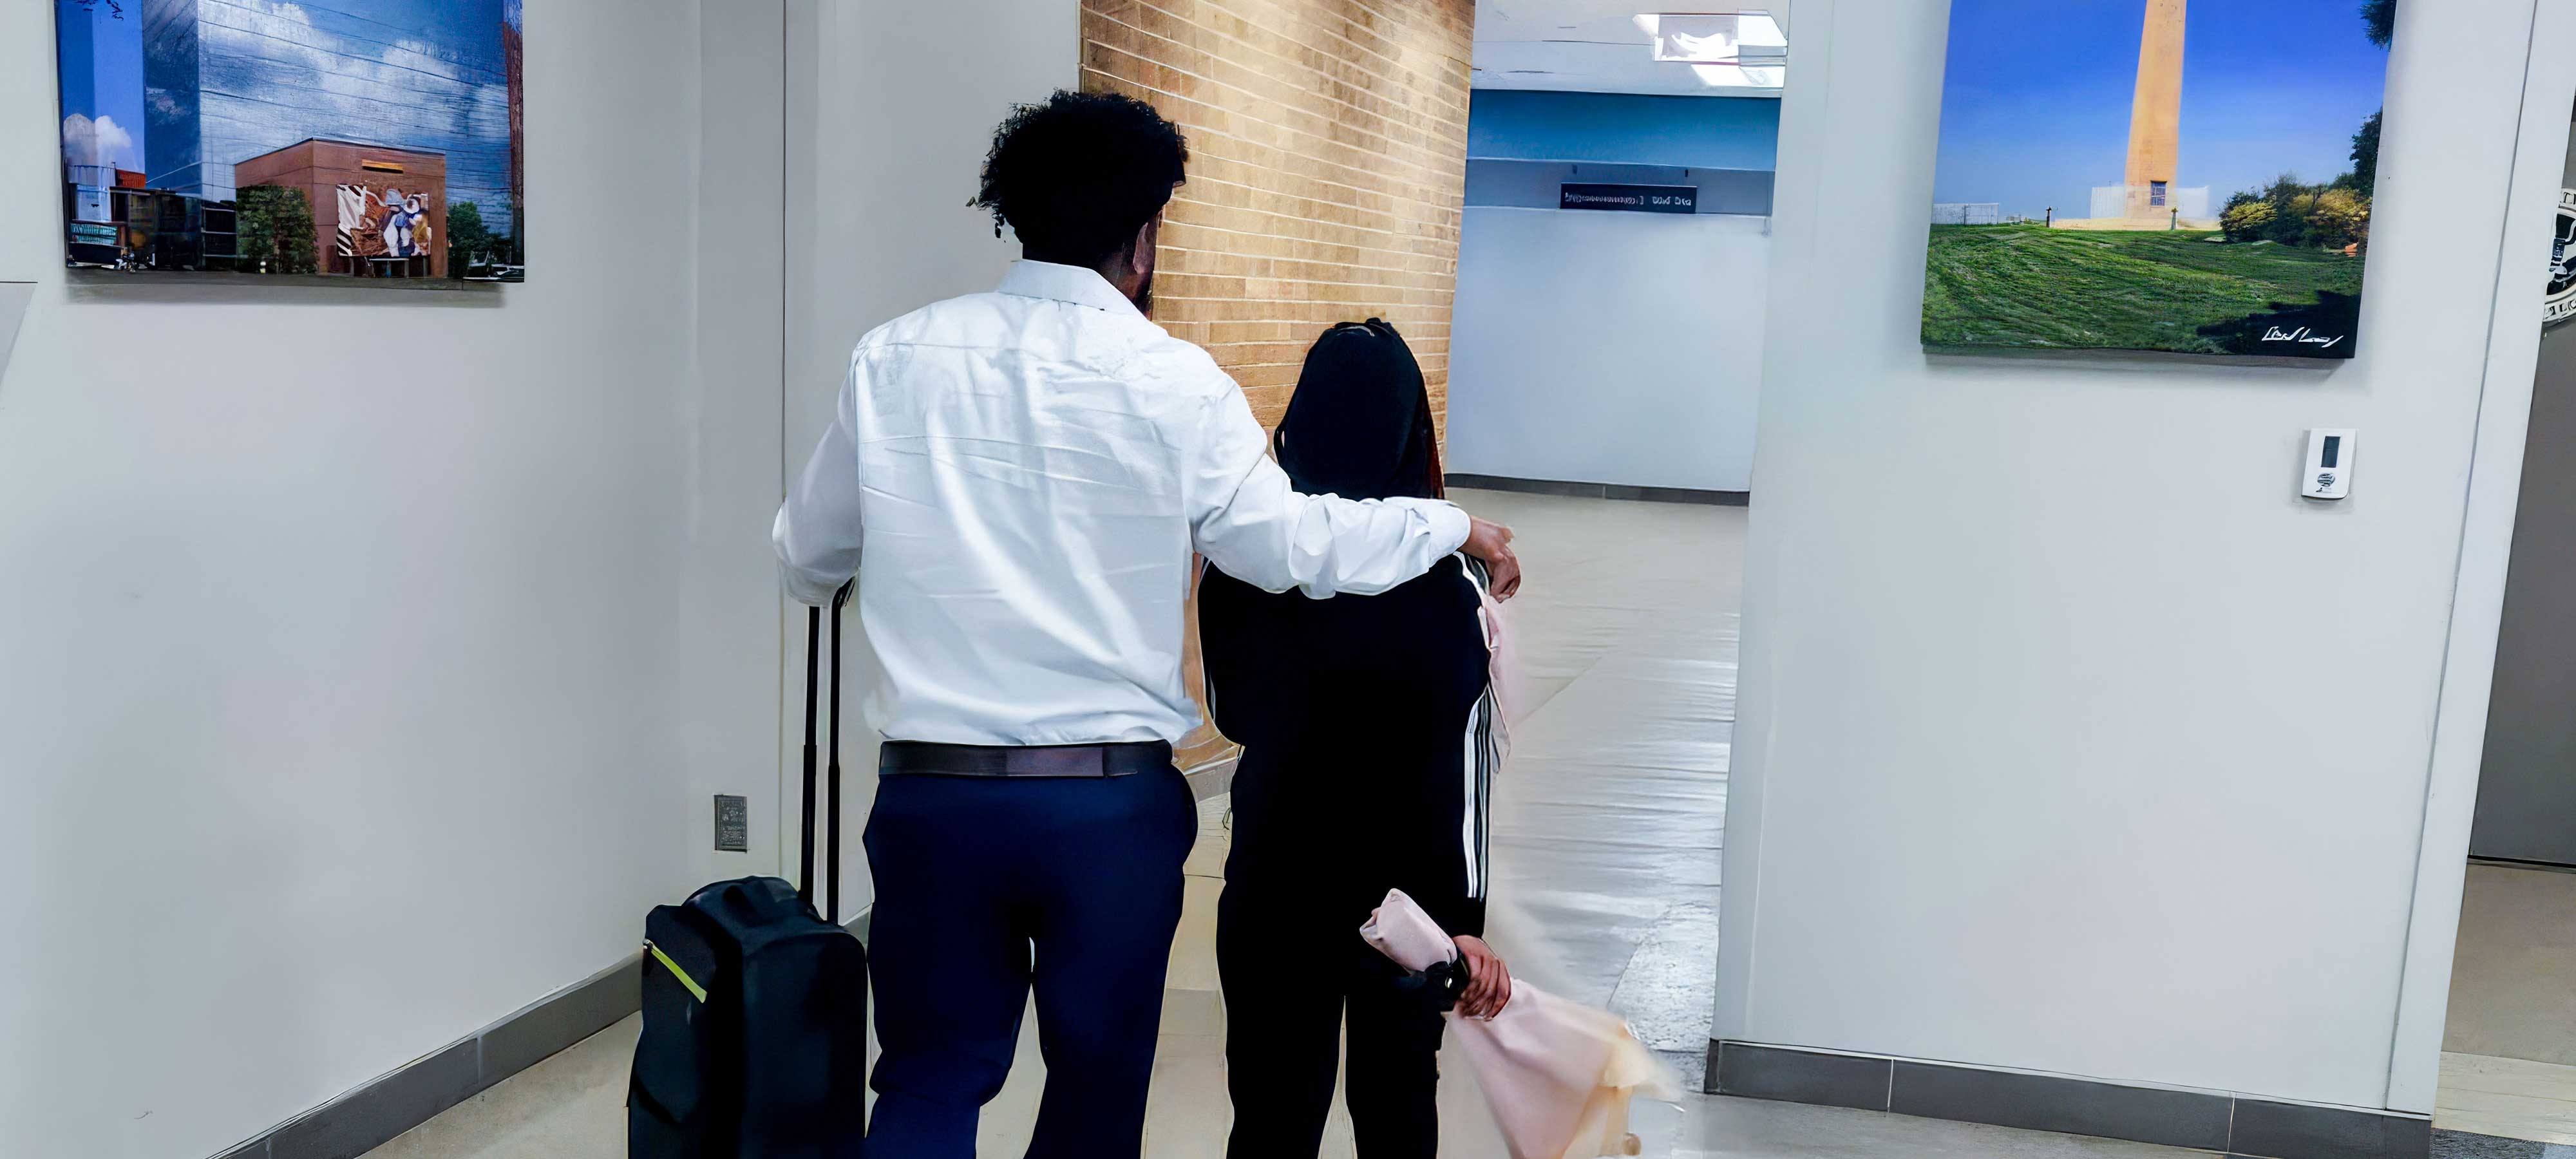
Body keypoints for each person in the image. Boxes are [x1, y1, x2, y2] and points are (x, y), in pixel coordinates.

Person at [771, 90, 1522, 1159]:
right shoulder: (1174, 382)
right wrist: (1450, 524)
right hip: (1105, 811)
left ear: (1016, 216)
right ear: (1145, 237)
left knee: (930, 1077)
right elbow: (1291, 548)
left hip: (933, 798)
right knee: (1095, 1087)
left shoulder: (895, 358)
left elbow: (807, 555)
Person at [1198, 319, 1513, 1159]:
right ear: (1413, 430)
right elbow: (1463, 773)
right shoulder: (1449, 587)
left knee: (1269, 1117)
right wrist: (1465, 921)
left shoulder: (1243, 566)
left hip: (1274, 880)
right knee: (1398, 1111)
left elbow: (1231, 711)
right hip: (1406, 908)